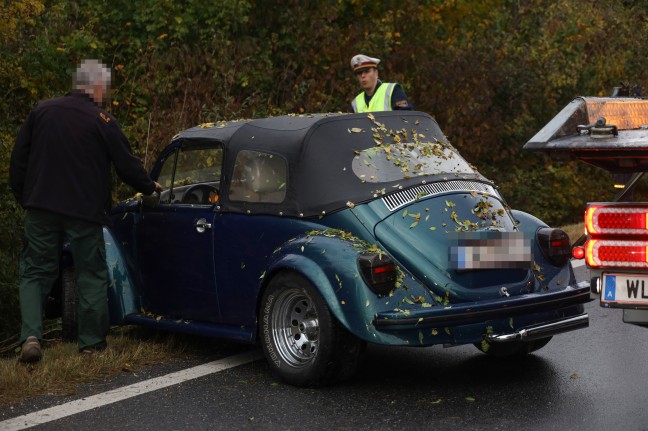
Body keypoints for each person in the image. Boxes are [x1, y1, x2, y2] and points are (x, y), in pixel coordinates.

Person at [10, 59, 163, 362]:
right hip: (84, 212)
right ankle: (91, 344)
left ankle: (30, 336)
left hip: (41, 207)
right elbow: (126, 166)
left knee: (34, 273)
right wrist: (148, 188)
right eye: (105, 89)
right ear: (96, 87)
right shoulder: (101, 120)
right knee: (91, 274)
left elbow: (19, 162)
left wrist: (26, 198)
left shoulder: (42, 111)